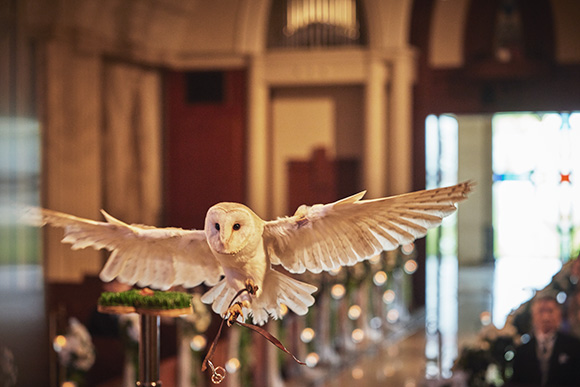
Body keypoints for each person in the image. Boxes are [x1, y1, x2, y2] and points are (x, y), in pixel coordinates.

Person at [510, 294, 580, 386]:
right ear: (533, 316)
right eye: (541, 311)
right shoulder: (522, 351)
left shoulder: (574, 347)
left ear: (559, 315)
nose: (546, 317)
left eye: (550, 311)